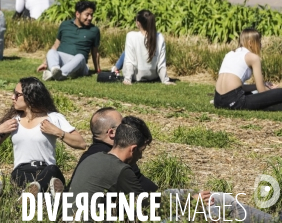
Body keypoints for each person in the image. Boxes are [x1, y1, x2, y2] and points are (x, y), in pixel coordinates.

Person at [69, 113, 275, 222]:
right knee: (216, 209)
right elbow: (149, 210)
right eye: (141, 150)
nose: (142, 155)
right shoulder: (121, 171)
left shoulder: (93, 159)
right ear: (132, 149)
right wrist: (190, 204)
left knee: (216, 201)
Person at [0, 77, 86, 196]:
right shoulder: (14, 120)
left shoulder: (53, 118)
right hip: (22, 171)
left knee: (52, 170)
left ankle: (30, 194)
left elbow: (81, 144)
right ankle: (40, 192)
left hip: (46, 169)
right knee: (21, 175)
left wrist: (58, 132)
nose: (12, 97)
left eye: (17, 94)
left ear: (30, 96)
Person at [67, 107, 157, 192]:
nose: (127, 128)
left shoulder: (90, 157)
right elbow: (143, 190)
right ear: (112, 132)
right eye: (122, 126)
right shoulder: (120, 158)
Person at [214, 28, 282, 111]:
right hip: (235, 101)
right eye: (259, 42)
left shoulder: (229, 54)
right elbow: (262, 90)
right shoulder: (253, 57)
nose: (261, 45)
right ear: (250, 43)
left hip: (218, 101)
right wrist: (271, 90)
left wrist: (263, 84)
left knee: (254, 97)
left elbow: (237, 87)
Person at [37, 0, 100, 81]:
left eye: (91, 15)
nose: (90, 18)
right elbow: (56, 45)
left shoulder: (94, 30)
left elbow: (95, 52)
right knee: (51, 51)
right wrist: (45, 63)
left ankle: (58, 74)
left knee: (80, 56)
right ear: (77, 14)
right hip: (62, 60)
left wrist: (98, 70)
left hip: (79, 64)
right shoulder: (65, 25)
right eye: (87, 15)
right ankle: (55, 70)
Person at [112, 10, 173, 85]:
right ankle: (115, 68)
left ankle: (115, 68)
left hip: (136, 76)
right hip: (153, 76)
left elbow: (129, 61)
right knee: (127, 52)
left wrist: (127, 79)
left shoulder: (131, 36)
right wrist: (165, 80)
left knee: (126, 53)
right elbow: (161, 63)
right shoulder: (159, 37)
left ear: (138, 23)